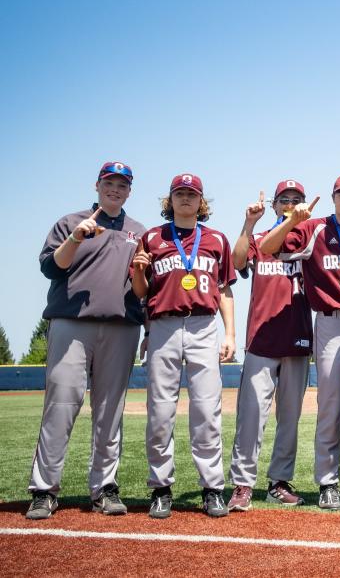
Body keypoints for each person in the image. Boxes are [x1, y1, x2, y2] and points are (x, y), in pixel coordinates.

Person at [26, 162, 145, 520]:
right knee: (60, 406)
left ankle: (105, 488)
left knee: (110, 413)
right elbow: (50, 267)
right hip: (71, 324)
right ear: (97, 185)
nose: (115, 189)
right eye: (109, 182)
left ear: (129, 191)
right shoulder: (71, 222)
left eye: (122, 184)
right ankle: (44, 490)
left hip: (122, 326)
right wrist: (76, 237)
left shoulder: (139, 231)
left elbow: (144, 287)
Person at [259, 174, 340, 510]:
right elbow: (268, 248)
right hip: (329, 323)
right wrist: (291, 223)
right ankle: (328, 481)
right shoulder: (313, 228)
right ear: (332, 197)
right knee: (330, 407)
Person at [132, 173, 237, 519]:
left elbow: (224, 290)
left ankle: (212, 489)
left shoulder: (217, 239)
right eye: (179, 193)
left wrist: (231, 334)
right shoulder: (151, 237)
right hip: (162, 325)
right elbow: (140, 292)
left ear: (201, 201)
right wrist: (137, 273)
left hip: (204, 325)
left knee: (207, 411)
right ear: (170, 200)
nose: (186, 198)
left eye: (192, 194)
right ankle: (161, 488)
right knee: (160, 412)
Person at [227, 181, 313, 511]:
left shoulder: (310, 240)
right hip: (261, 339)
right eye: (285, 200)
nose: (290, 203)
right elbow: (237, 262)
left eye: (296, 199)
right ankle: (242, 484)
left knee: (289, 417)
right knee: (251, 416)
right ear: (276, 206)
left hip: (297, 336)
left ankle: (279, 481)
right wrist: (249, 223)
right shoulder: (261, 239)